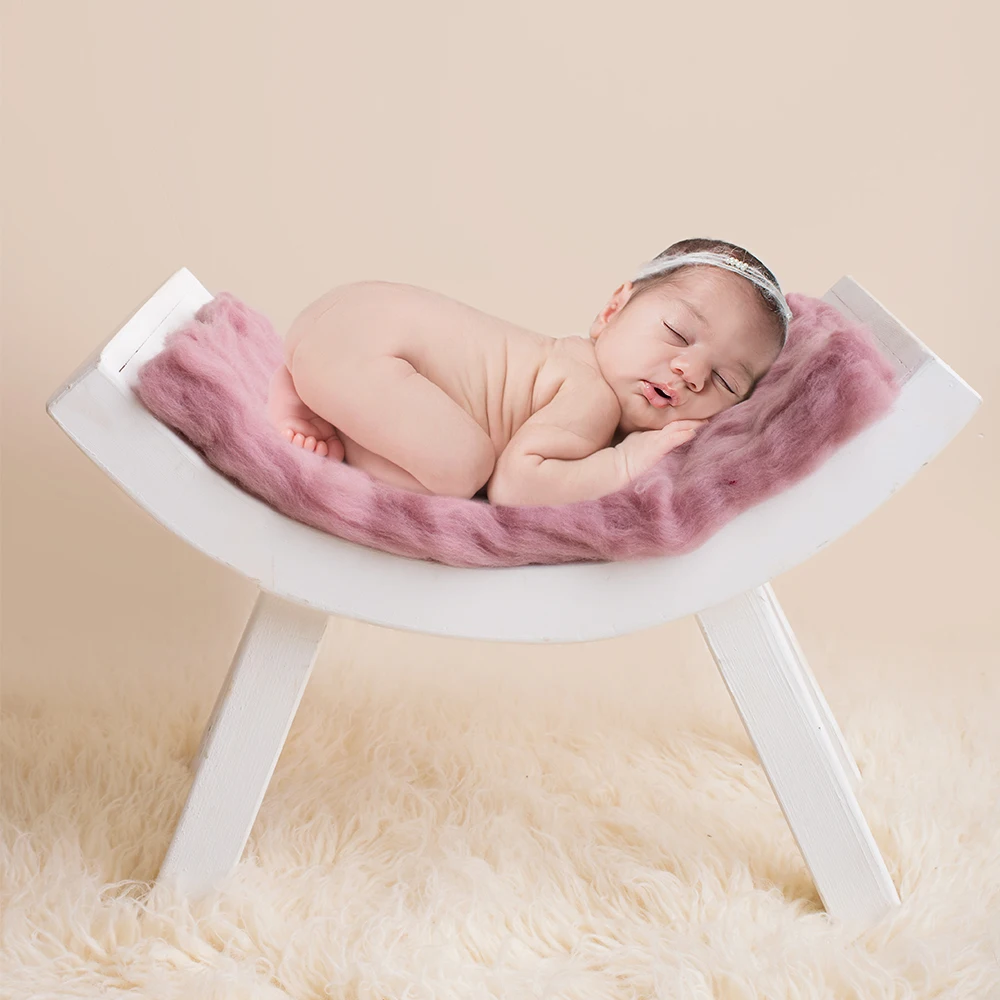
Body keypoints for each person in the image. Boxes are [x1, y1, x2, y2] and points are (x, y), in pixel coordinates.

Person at [266, 238, 792, 505]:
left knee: (453, 451)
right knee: (464, 471)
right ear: (612, 311)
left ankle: (310, 384)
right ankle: (328, 413)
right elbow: (517, 486)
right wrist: (627, 462)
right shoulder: (590, 395)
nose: (691, 372)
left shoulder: (557, 363)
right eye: (677, 332)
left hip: (348, 317)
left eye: (725, 381)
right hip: (372, 343)